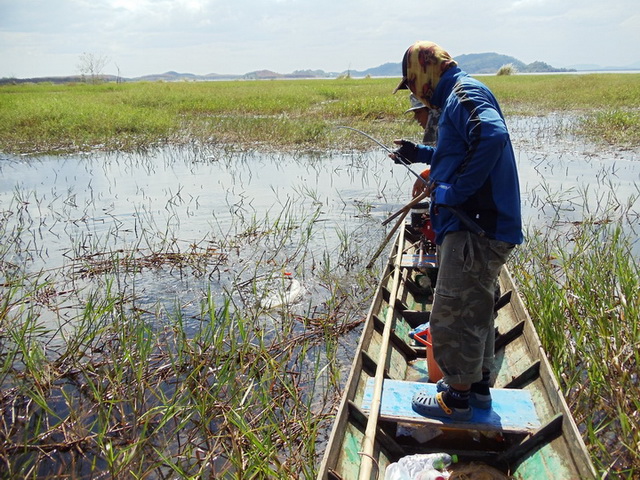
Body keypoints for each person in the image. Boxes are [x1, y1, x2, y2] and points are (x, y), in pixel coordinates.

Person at [391, 41, 524, 420]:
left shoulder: (463, 93)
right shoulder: (455, 97)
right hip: (482, 227)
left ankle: (457, 398)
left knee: (452, 309)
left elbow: (491, 135)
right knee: (477, 308)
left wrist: (456, 192)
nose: (415, 92)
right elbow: (458, 152)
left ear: (425, 71)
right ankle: (478, 388)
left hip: (474, 228)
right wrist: (418, 152)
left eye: (412, 83)